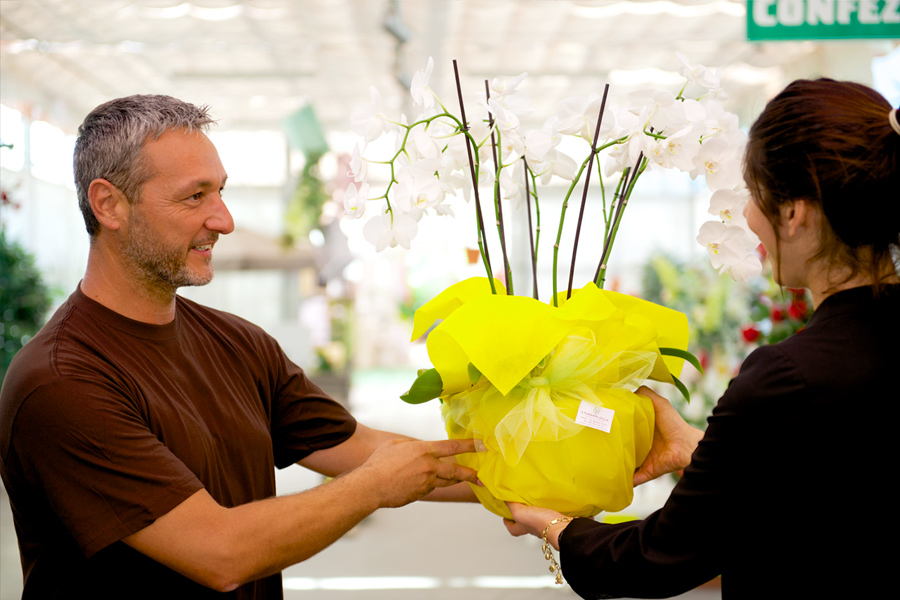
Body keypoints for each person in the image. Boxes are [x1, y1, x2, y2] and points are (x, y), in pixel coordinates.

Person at [0, 94, 480, 599]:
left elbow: (359, 448)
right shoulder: (62, 381)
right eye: (195, 197)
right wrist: (374, 487)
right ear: (109, 204)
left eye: (221, 192)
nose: (224, 220)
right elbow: (220, 553)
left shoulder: (238, 343)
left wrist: (542, 484)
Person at [503, 78, 900, 598]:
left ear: (794, 212)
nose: (748, 218)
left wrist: (554, 526)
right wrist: (709, 452)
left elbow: (659, 557)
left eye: (753, 196)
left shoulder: (788, 379)